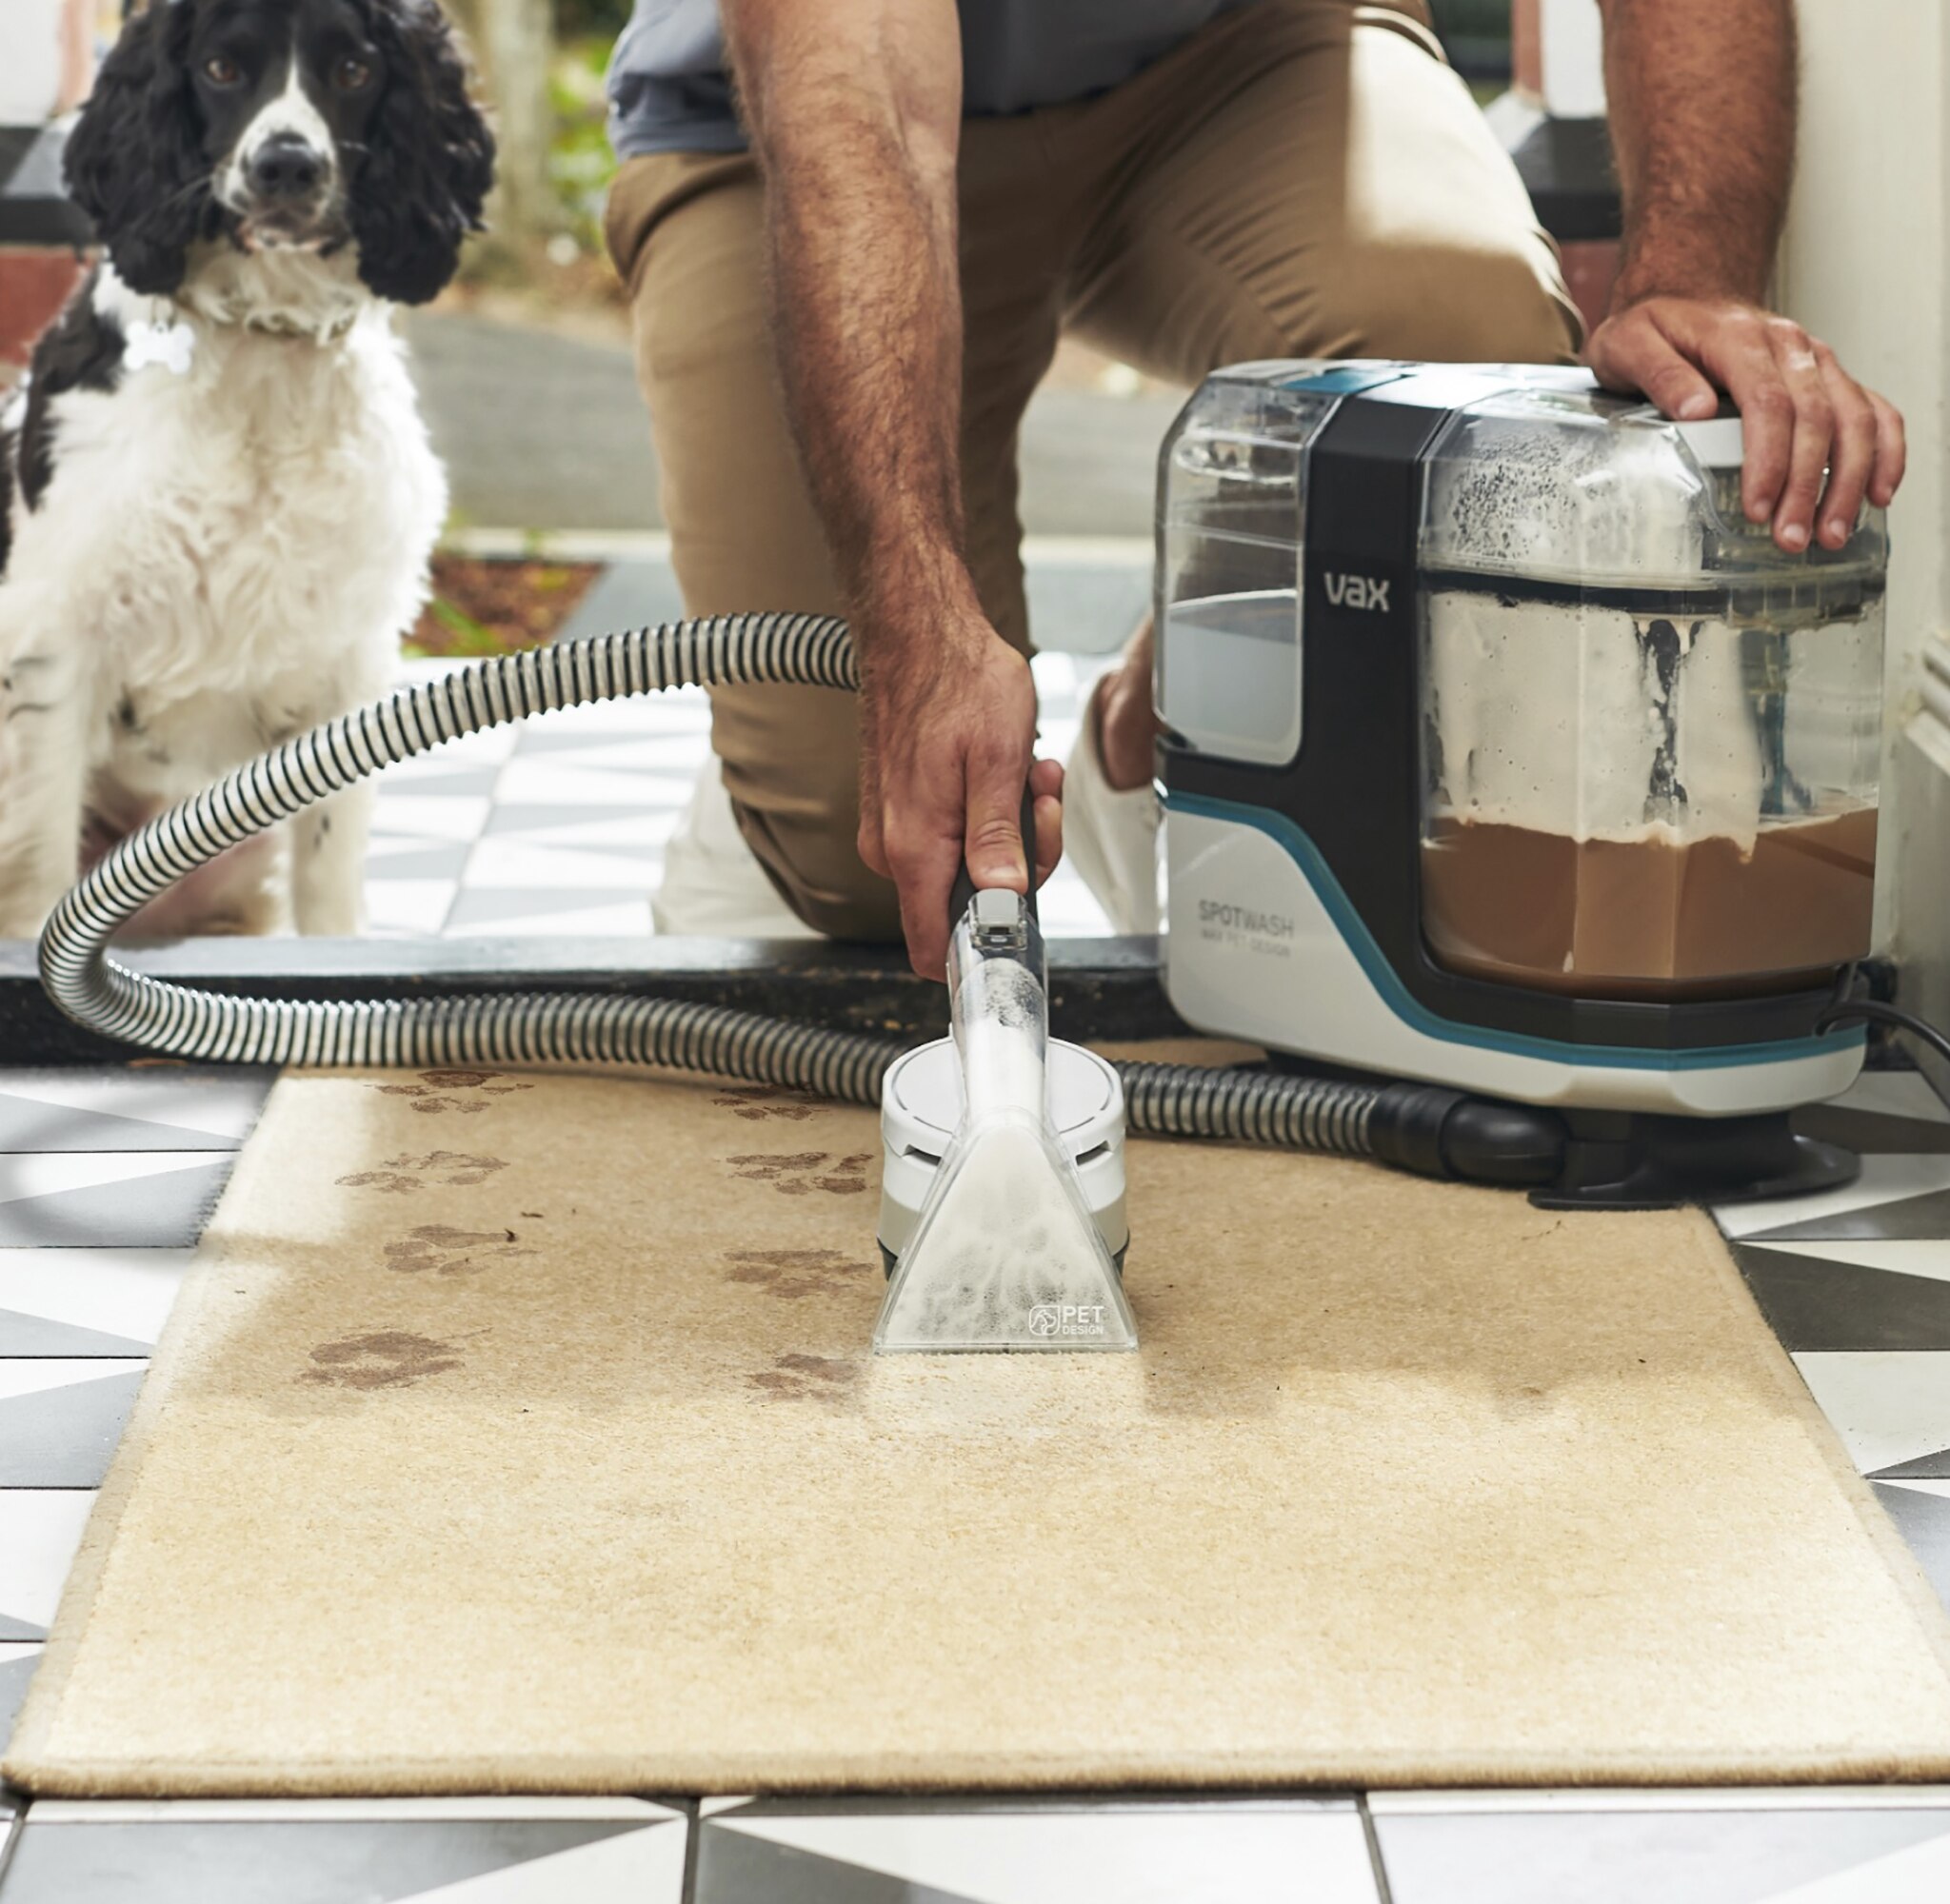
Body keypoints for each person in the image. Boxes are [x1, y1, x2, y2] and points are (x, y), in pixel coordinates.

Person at [602, 0, 1905, 978]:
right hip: (799, 124)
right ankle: (761, 795)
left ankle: (1152, 744)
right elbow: (864, 98)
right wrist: (907, 619)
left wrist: (1692, 275)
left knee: (1460, 386)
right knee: (872, 848)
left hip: (1231, 60)